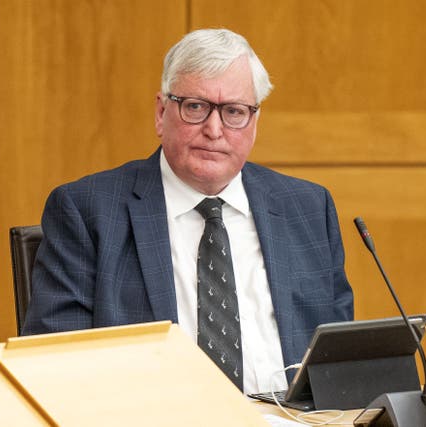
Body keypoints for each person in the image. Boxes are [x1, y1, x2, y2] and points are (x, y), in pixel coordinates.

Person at [22, 28, 353, 394]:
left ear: (254, 123)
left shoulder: (307, 208)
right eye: (195, 107)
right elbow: (55, 369)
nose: (214, 129)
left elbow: (338, 366)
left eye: (234, 112)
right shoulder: (87, 211)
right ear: (162, 113)